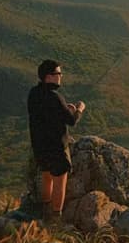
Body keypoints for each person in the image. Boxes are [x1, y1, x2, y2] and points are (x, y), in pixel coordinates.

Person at [27, 59, 86, 223]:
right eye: (58, 73)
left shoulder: (34, 93)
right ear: (49, 76)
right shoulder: (55, 97)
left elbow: (44, 114)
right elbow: (71, 121)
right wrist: (79, 109)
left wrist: (63, 109)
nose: (60, 76)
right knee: (60, 181)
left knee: (46, 177)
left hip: (39, 146)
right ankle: (55, 218)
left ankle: (44, 209)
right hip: (56, 147)